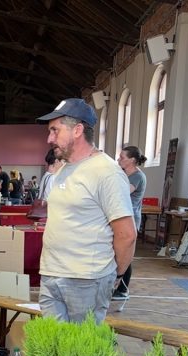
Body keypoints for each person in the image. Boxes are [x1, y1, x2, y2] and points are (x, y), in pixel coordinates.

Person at [37, 98, 135, 324]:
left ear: (77, 130)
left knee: (79, 354)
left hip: (86, 280)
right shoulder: (64, 169)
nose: (49, 138)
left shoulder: (106, 172)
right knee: (52, 350)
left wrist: (115, 274)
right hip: (52, 275)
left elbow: (126, 234)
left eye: (55, 130)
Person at [113, 145, 147, 300]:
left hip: (130, 219)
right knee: (116, 252)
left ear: (132, 160)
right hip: (119, 218)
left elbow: (121, 193)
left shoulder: (137, 177)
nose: (119, 159)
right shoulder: (123, 173)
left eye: (122, 157)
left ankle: (123, 289)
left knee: (124, 253)